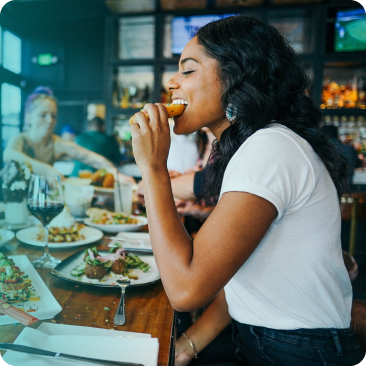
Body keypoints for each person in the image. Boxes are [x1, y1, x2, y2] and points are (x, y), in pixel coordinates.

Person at [129, 15, 365, 366]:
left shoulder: (269, 148)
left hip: (297, 352)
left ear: (237, 78)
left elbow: (185, 289)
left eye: (188, 70)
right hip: (268, 340)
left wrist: (153, 170)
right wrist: (187, 346)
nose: (171, 82)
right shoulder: (256, 146)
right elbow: (240, 276)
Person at [3, 87, 134, 183]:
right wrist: (48, 170)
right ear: (28, 117)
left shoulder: (56, 143)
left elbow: (90, 157)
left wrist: (116, 174)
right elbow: (9, 155)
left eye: (53, 116)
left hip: (37, 203)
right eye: (43, 115)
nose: (50, 120)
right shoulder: (20, 139)